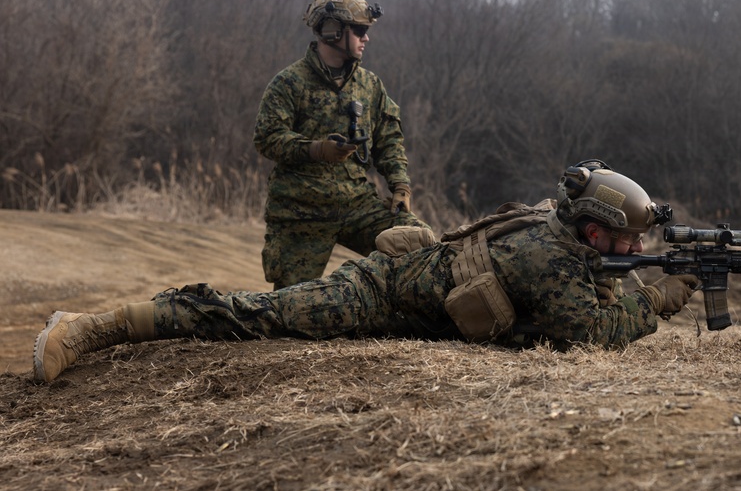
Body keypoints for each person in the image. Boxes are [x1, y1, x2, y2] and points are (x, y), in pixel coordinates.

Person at [33, 161, 700, 383]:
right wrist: (660, 301)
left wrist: (639, 276)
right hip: (371, 296)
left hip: (411, 290)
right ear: (591, 231)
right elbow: (586, 334)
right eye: (622, 242)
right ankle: (93, 328)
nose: (629, 252)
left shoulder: (557, 232)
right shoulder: (546, 256)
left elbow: (588, 297)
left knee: (256, 316)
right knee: (248, 316)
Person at [253, 0, 430, 290]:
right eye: (359, 30)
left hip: (356, 204)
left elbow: (388, 139)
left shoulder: (369, 85)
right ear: (332, 31)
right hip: (301, 210)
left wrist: (400, 186)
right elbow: (268, 138)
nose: (366, 38)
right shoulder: (289, 83)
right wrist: (317, 149)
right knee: (291, 306)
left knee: (421, 245)